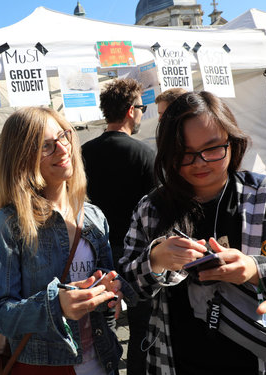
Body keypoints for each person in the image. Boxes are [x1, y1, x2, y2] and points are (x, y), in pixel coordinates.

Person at [119, 91, 266, 374]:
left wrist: (253, 269)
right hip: (175, 361)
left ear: (232, 143)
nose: (200, 162)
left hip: (255, 360)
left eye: (212, 148)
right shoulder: (152, 208)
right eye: (185, 153)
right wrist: (155, 260)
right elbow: (126, 289)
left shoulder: (262, 196)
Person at [0, 107, 136, 374]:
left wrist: (111, 291)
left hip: (101, 359)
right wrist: (55, 305)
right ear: (22, 158)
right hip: (44, 366)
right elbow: (0, 315)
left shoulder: (92, 215)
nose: (62, 148)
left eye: (63, 137)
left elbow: (106, 287)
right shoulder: (11, 222)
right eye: (46, 146)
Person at [81, 78, 155, 375]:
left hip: (94, 252)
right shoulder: (144, 154)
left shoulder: (82, 153)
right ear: (129, 110)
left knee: (101, 326)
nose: (141, 113)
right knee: (141, 328)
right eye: (140, 107)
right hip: (135, 254)